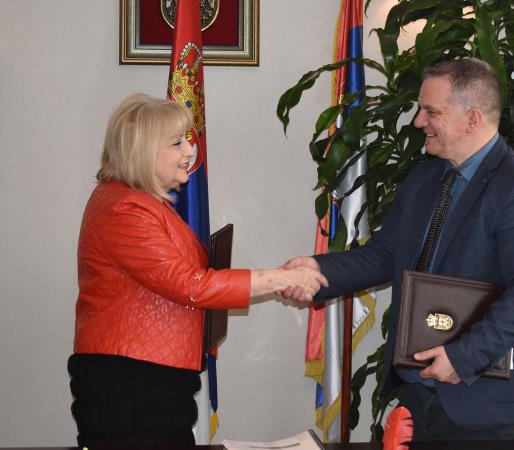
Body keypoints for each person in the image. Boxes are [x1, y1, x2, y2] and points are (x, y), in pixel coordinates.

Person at [283, 58, 514, 441]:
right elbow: (385, 255)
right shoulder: (425, 177)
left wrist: (462, 357)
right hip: (423, 389)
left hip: (493, 404)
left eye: (432, 112)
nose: (418, 122)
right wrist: (316, 271)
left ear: (473, 119)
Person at [69, 93, 326, 447]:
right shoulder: (125, 210)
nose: (190, 151)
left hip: (148, 384)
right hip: (129, 387)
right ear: (142, 150)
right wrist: (280, 279)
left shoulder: (138, 201)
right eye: (177, 143)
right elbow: (189, 285)